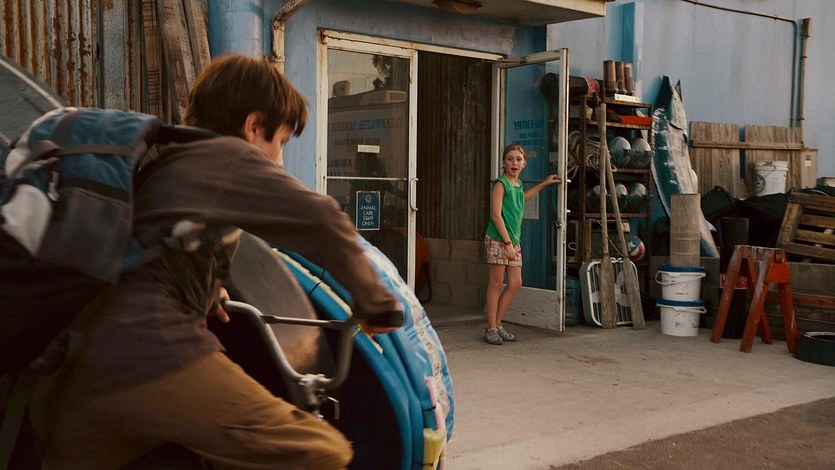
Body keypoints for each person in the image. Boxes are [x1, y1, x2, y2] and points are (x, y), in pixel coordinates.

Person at [40, 54, 403, 469]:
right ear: (254, 126)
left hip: (85, 368)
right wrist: (378, 305)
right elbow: (324, 220)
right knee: (318, 451)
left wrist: (208, 291)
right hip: (154, 353)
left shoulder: (166, 163)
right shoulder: (225, 156)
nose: (280, 161)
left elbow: (156, 252)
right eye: (280, 143)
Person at [483, 144, 560, 345]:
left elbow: (522, 198)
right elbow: (496, 215)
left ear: (524, 163)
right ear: (504, 162)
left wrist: (544, 184)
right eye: (510, 159)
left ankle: (497, 324)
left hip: (513, 241)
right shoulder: (500, 184)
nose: (514, 163)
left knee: (515, 283)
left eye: (518, 159)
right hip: (499, 239)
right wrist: (507, 243)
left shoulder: (517, 184)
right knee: (496, 283)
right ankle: (491, 328)